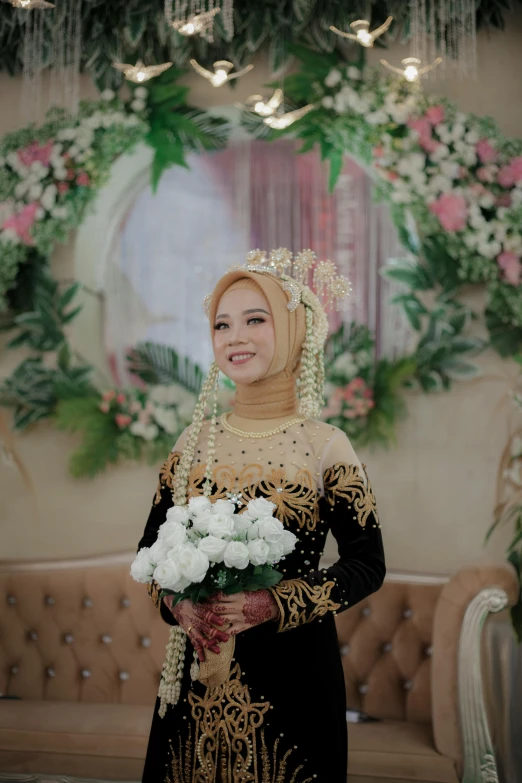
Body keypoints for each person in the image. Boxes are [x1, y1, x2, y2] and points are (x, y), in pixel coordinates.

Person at [137, 250, 386, 783]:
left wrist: (272, 602)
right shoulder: (192, 442)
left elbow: (368, 564)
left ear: (293, 328)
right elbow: (150, 555)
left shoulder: (326, 447)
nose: (235, 337)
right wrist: (179, 607)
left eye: (256, 319)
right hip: (197, 678)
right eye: (222, 325)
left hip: (295, 674)